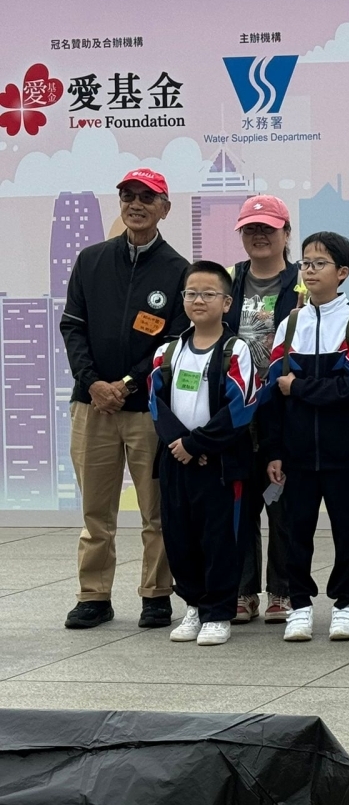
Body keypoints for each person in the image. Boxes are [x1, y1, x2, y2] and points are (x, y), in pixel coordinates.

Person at [61, 168, 190, 630]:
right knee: (96, 511)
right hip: (91, 405)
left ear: (164, 209)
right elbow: (72, 326)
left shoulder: (178, 270)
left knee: (156, 511)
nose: (136, 204)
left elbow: (174, 341)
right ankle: (93, 596)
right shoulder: (91, 260)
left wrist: (128, 385)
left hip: (147, 410)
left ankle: (156, 595)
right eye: (128, 196)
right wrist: (94, 383)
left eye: (147, 198)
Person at [262, 231, 349, 642]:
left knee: (346, 529)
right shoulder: (291, 323)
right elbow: (274, 392)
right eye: (305, 263)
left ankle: (345, 605)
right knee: (296, 530)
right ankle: (300, 605)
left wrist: (300, 387)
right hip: (296, 453)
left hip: (343, 452)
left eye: (320, 263)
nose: (310, 270)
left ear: (342, 272)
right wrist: (274, 450)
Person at [148, 262, 258, 646]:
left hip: (220, 465)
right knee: (180, 537)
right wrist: (180, 445)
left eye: (209, 294)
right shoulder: (167, 352)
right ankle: (193, 605)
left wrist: (197, 445)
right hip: (176, 462)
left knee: (221, 539)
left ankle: (218, 612)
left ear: (226, 302)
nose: (199, 300)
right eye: (192, 293)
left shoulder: (235, 350)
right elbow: (156, 403)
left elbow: (241, 407)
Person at [226, 194, 299, 626]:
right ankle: (243, 591)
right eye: (250, 229)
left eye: (268, 229)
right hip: (237, 408)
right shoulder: (230, 280)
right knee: (241, 504)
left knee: (282, 504)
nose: (259, 235)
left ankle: (281, 591)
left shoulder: (302, 282)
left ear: (285, 233)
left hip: (283, 408)